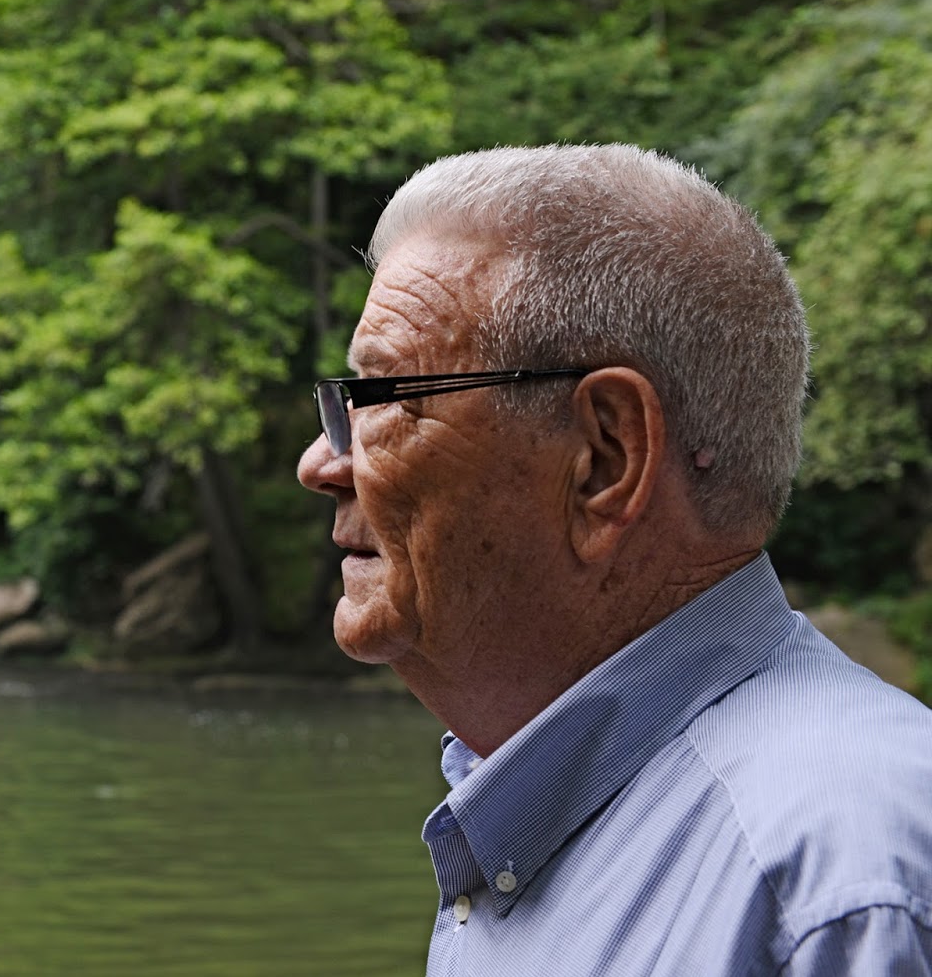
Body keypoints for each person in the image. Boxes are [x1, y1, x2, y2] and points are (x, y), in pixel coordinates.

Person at [296, 144, 932, 974]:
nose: (319, 463)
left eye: (380, 399)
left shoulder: (838, 894)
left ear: (603, 456)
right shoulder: (521, 808)